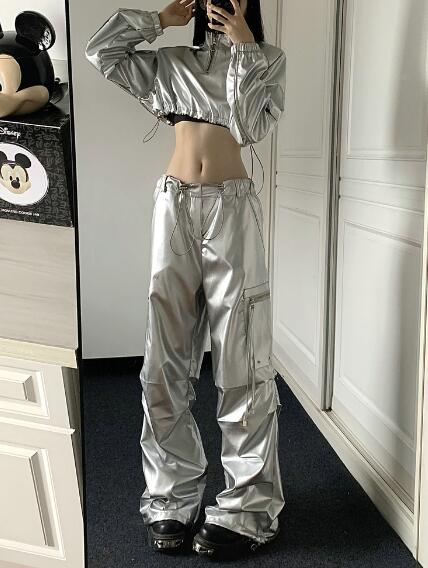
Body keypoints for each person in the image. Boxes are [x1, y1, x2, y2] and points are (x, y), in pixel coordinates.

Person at [85, 0, 286, 558]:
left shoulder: (266, 59)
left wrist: (244, 47)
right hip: (173, 208)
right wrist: (158, 21)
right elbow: (102, 53)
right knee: (163, 360)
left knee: (243, 360)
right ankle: (171, 495)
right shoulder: (173, 63)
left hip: (232, 211)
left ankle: (248, 507)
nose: (222, 5)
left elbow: (248, 126)